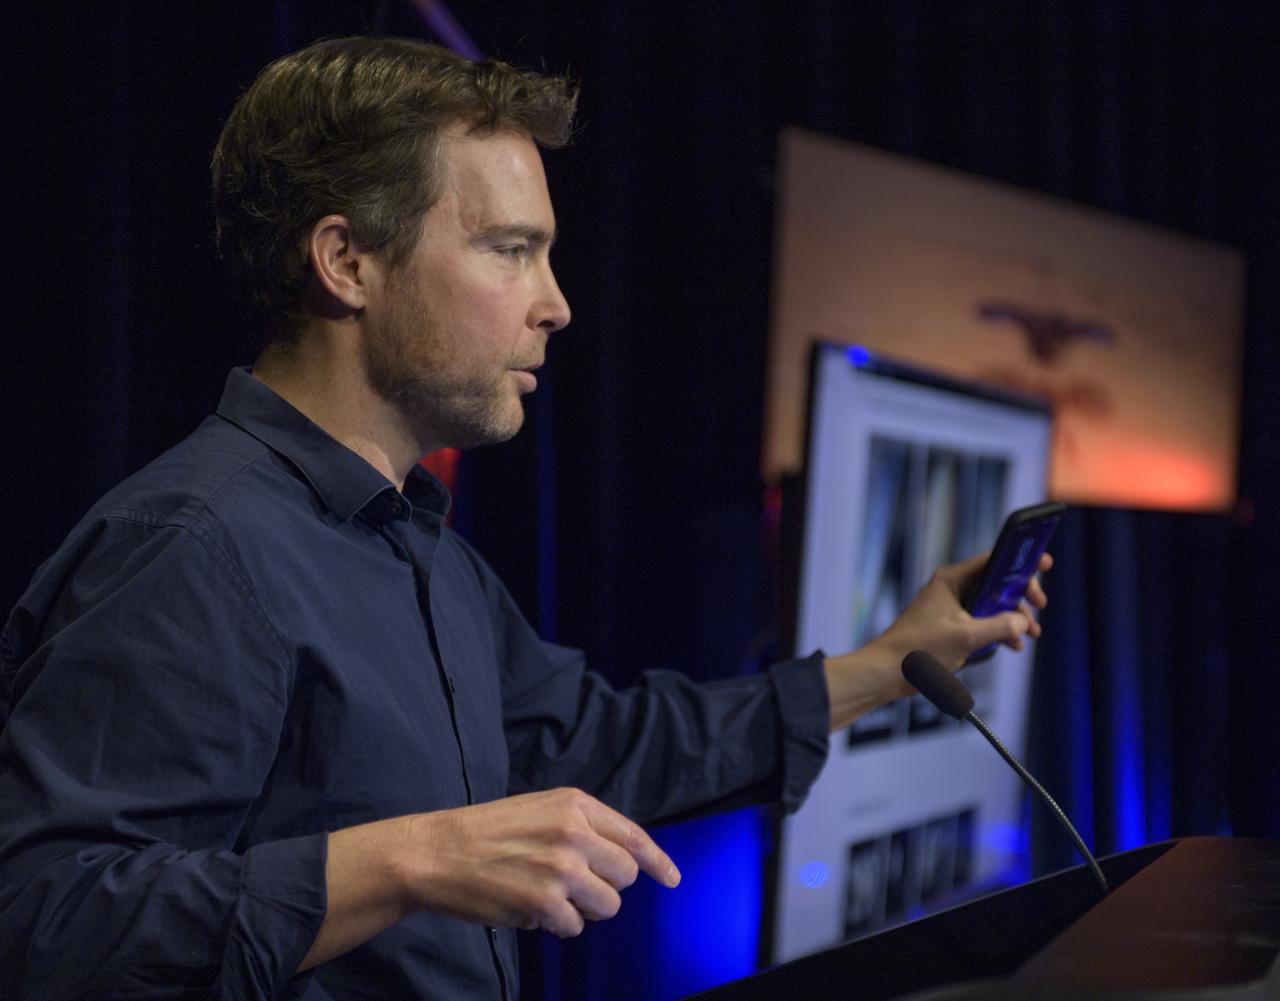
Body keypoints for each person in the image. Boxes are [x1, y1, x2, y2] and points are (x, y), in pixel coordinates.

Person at [0, 37, 1047, 1001]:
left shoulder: (419, 547)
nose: (555, 303)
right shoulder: (190, 547)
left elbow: (593, 744)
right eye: (509, 249)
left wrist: (890, 658)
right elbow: (41, 921)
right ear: (345, 261)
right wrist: (410, 858)